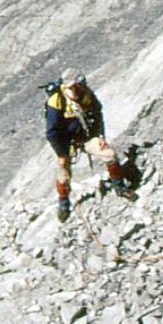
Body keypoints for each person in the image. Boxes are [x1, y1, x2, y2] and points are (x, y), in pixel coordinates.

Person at [44, 70, 130, 221]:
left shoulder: (87, 95)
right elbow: (52, 133)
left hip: (87, 137)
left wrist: (100, 136)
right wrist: (61, 154)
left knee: (109, 154)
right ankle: (63, 203)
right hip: (66, 142)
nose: (75, 89)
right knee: (63, 171)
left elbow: (97, 113)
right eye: (71, 87)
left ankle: (119, 186)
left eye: (76, 86)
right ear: (65, 87)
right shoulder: (56, 101)